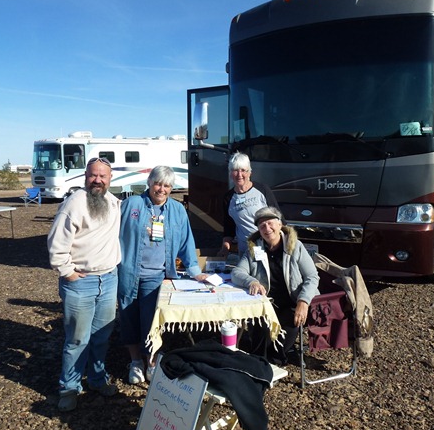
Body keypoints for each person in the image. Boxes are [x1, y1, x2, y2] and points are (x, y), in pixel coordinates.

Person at [118, 165, 208, 384]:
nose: (161, 189)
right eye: (158, 183)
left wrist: (195, 271)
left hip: (157, 277)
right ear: (149, 182)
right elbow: (112, 235)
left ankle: (150, 362)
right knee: (128, 318)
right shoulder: (131, 204)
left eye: (167, 185)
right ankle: (135, 362)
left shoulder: (177, 210)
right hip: (128, 273)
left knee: (152, 322)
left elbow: (186, 242)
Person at [47, 157, 122, 412]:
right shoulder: (74, 203)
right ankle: (69, 388)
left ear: (110, 179)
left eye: (103, 176)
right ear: (85, 177)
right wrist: (67, 272)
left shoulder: (113, 202)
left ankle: (97, 380)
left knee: (102, 337)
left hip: (109, 279)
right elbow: (56, 244)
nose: (97, 180)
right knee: (77, 339)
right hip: (81, 283)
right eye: (93, 175)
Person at [231, 206, 319, 365]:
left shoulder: (295, 246)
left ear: (280, 225)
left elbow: (312, 277)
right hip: (267, 302)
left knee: (283, 339)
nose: (267, 228)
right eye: (262, 225)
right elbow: (237, 272)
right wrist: (252, 281)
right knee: (258, 325)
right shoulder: (254, 248)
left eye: (270, 223)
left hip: (292, 302)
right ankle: (259, 362)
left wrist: (303, 301)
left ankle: (274, 360)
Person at [217, 152, 279, 257]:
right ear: (230, 173)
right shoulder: (228, 198)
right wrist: (225, 248)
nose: (239, 175)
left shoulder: (262, 190)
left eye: (243, 170)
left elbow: (279, 219)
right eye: (235, 170)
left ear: (249, 172)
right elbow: (229, 228)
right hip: (245, 251)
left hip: (268, 247)